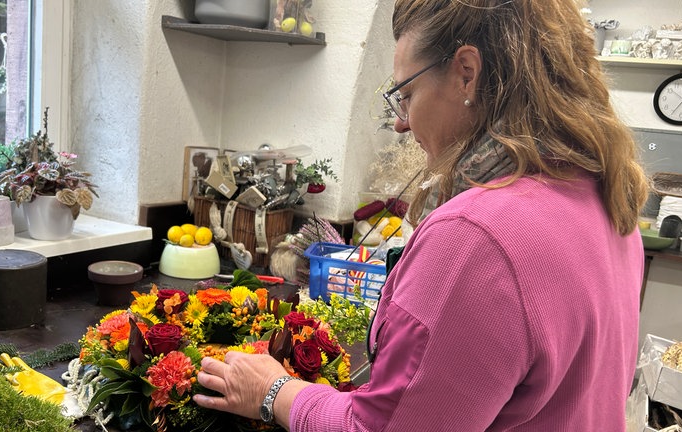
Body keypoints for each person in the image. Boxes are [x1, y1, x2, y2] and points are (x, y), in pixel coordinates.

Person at [193, 0, 649, 430]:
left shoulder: (477, 235)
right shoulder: (607, 197)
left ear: (466, 74)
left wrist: (272, 390)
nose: (400, 122)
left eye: (407, 93)